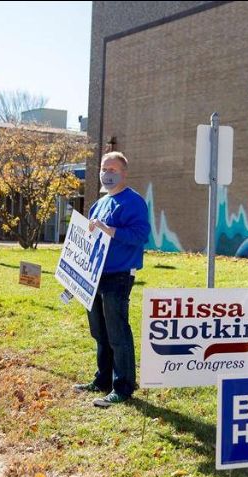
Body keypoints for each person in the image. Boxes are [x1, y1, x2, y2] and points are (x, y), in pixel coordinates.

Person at [73, 151, 150, 408]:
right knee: (99, 331)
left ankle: (124, 386)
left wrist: (111, 230)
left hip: (118, 275)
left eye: (113, 169)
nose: (107, 173)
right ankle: (103, 379)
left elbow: (140, 235)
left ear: (124, 172)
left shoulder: (133, 201)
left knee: (117, 331)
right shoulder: (98, 204)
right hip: (94, 275)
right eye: (104, 169)